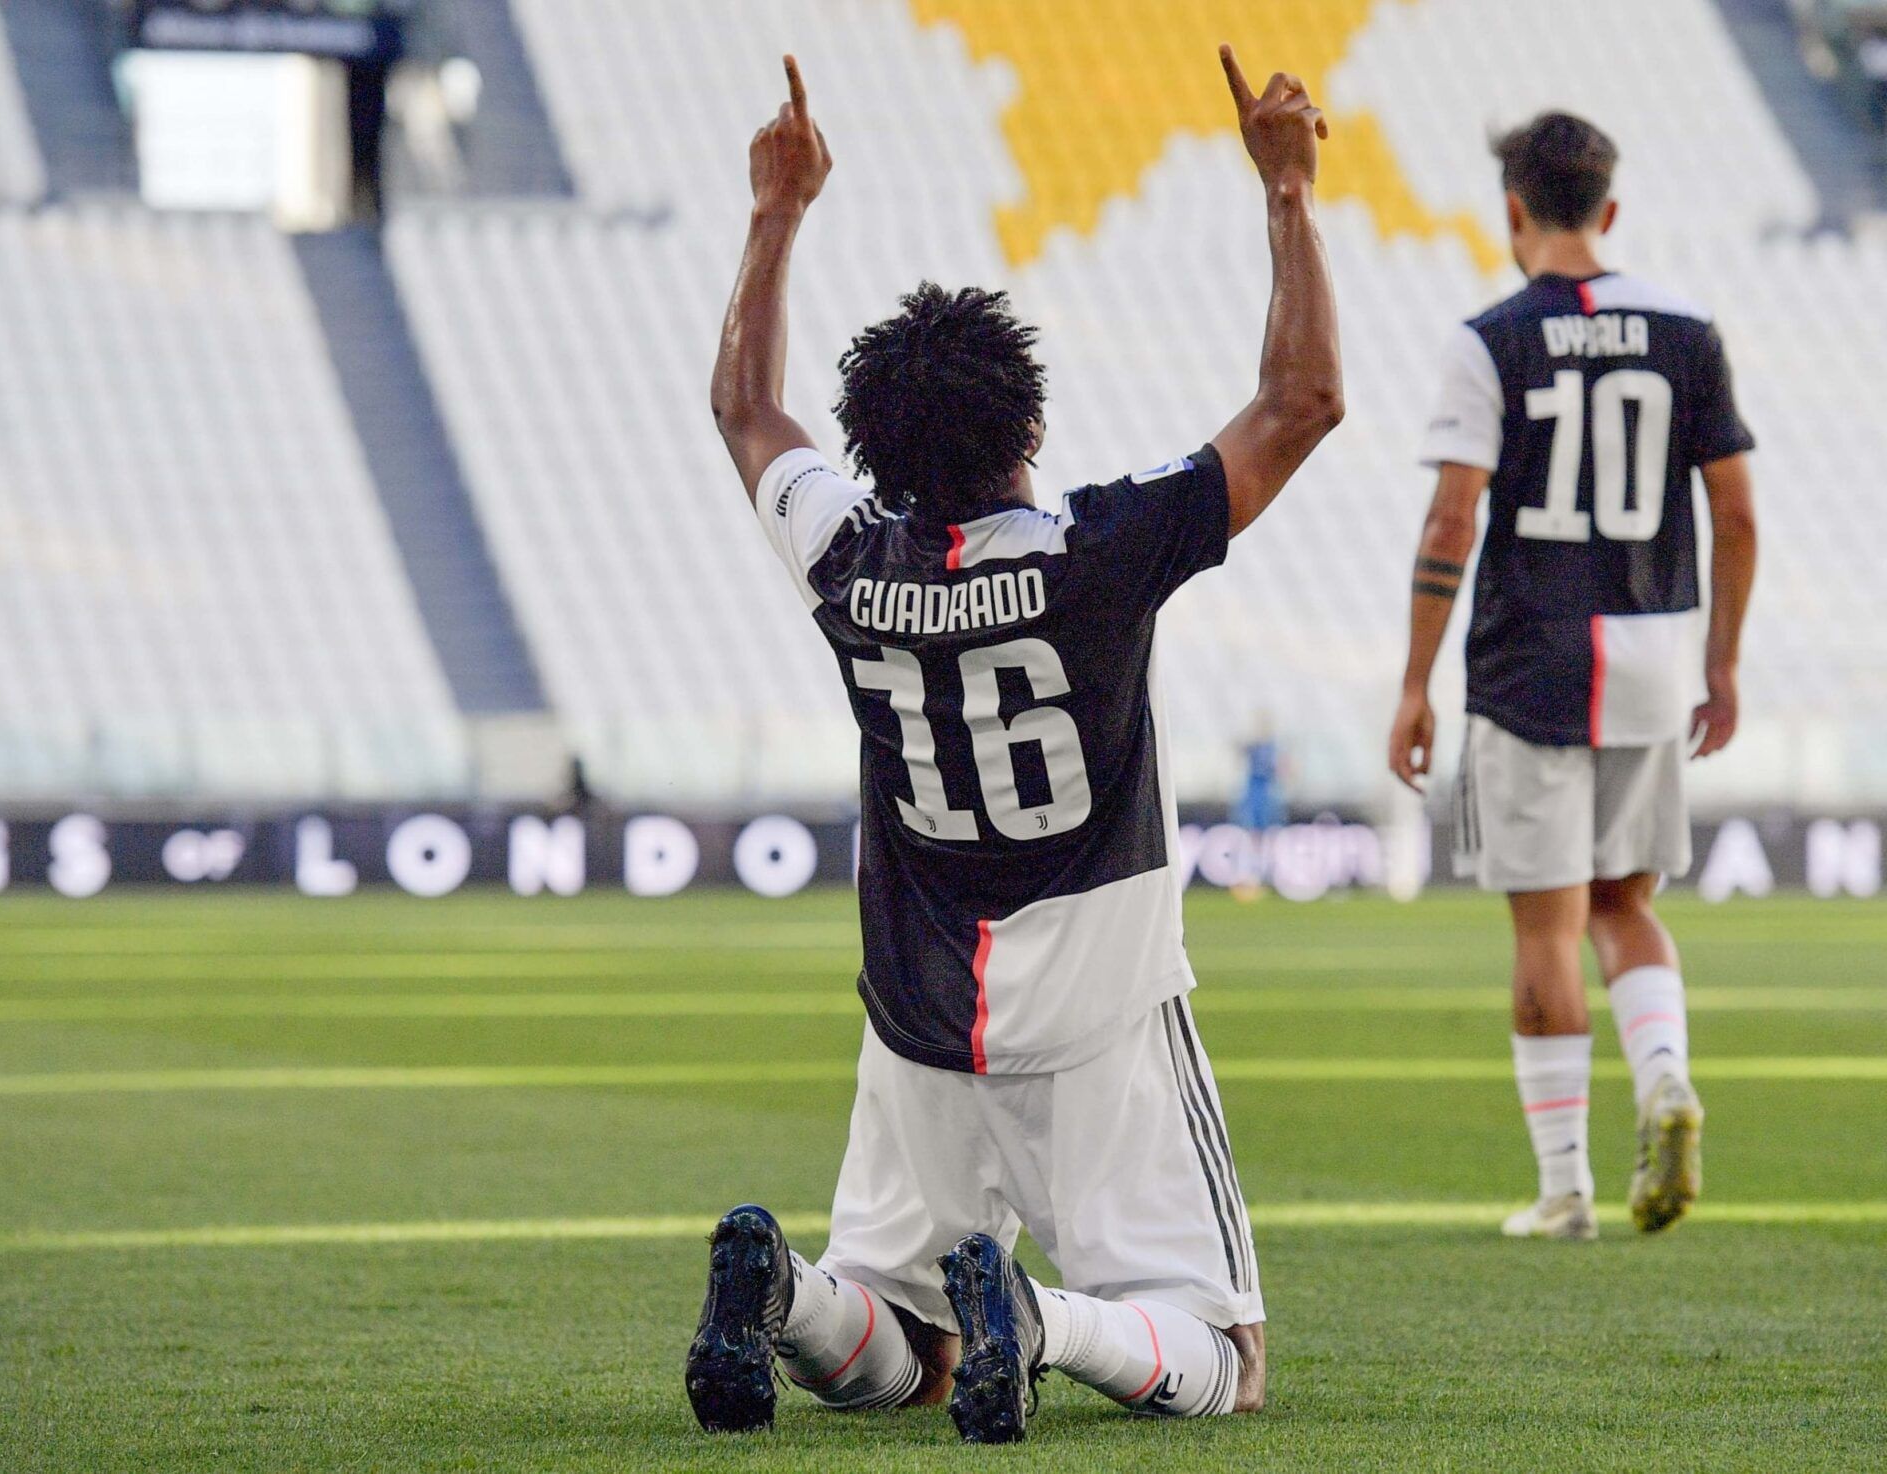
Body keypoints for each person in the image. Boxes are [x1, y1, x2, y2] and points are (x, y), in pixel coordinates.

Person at [686, 49, 1340, 1442]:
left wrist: (774, 211)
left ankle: (786, 1296)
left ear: (871, 449)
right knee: (1225, 1355)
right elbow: (1302, 404)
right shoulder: (1098, 552)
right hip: (1098, 1009)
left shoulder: (850, 563)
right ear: (1029, 423)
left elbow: (745, 409)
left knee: (905, 1344)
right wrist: (1286, 189)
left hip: (916, 1014)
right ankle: (1045, 1321)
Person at [1387, 113, 1757, 1241]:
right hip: (1652, 654)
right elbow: (1736, 515)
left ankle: (1565, 1191)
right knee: (1624, 904)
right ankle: (1664, 1077)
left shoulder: (1489, 340)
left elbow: (1452, 519)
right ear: (1610, 208)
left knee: (1544, 929)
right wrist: (1721, 662)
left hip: (1529, 664)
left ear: (1512, 209)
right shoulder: (1688, 332)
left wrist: (1414, 682)